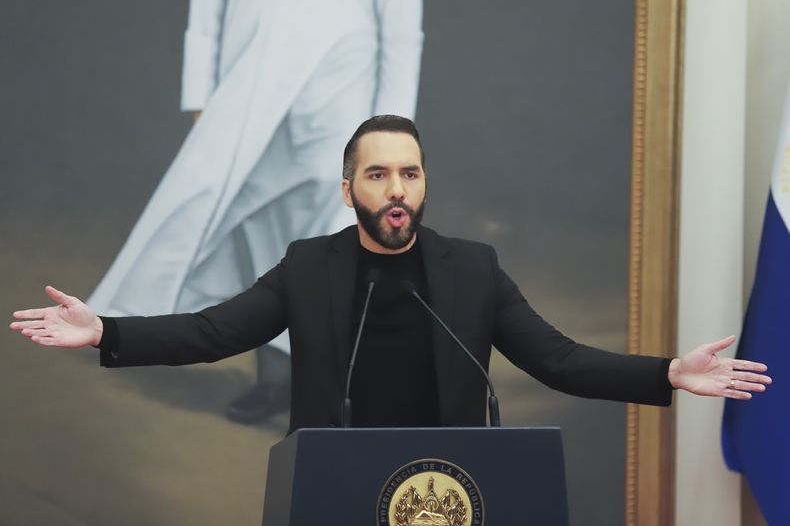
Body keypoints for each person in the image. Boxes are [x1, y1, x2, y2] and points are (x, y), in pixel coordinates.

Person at [10, 116, 772, 433]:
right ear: (349, 190)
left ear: (425, 184)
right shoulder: (310, 267)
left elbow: (558, 358)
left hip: (446, 496)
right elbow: (214, 330)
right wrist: (104, 329)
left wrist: (669, 372)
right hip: (333, 491)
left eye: (409, 172)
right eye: (377, 175)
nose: (397, 188)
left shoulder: (471, 270)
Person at [85, 0, 424, 423]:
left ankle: (341, 386)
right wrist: (201, 94)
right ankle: (276, 378)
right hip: (250, 79)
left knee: (341, 239)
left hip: (342, 84)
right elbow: (207, 9)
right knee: (263, 235)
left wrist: (392, 130)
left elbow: (401, 30)